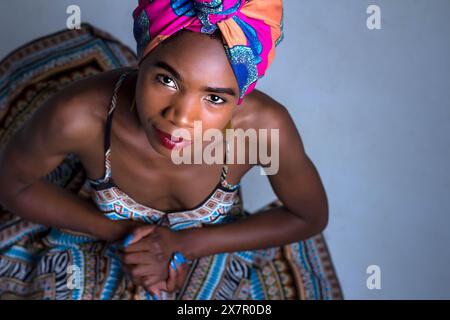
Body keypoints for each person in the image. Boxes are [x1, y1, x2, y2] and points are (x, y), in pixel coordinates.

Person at [0, 0, 329, 300]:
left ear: (239, 99)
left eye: (214, 98)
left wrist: (183, 245)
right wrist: (125, 235)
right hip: (96, 230)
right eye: (167, 80)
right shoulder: (79, 116)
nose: (180, 118)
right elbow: (12, 184)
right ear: (143, 60)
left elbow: (309, 216)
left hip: (207, 244)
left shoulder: (262, 129)